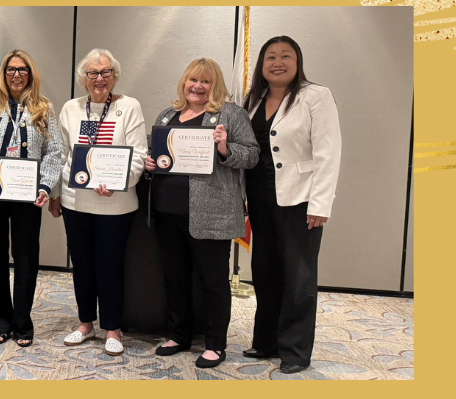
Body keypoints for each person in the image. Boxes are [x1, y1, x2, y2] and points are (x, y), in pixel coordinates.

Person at [143, 58, 259, 368]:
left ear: (215, 86)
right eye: (193, 80)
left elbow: (251, 155)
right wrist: (150, 163)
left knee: (213, 281)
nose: (197, 86)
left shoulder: (230, 114)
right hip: (168, 211)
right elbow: (156, 155)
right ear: (184, 83)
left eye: (205, 82)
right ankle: (178, 335)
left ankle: (215, 344)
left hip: (212, 213)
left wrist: (224, 148)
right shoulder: (167, 115)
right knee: (175, 278)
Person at [241, 36, 342, 374]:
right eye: (270, 56)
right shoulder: (253, 100)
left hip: (300, 200)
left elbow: (328, 151)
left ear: (298, 62)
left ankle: (296, 350)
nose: (277, 62)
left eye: (286, 56)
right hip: (259, 198)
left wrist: (321, 202)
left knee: (298, 277)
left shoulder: (316, 96)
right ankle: (266, 341)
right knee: (265, 273)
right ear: (262, 64)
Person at [0, 49, 65, 347]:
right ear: (2, 74)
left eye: (22, 70)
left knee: (25, 259)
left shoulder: (44, 108)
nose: (17, 75)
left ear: (30, 75)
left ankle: (22, 323)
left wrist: (45, 186)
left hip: (28, 196)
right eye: (11, 70)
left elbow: (54, 152)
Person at [54, 49, 147, 356]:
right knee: (81, 265)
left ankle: (112, 327)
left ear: (114, 76)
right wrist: (68, 187)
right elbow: (62, 156)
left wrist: (119, 184)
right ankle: (84, 323)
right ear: (84, 78)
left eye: (105, 72)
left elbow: (139, 156)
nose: (99, 79)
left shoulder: (129, 106)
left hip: (115, 204)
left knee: (110, 265)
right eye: (93, 73)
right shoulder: (71, 108)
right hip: (76, 201)